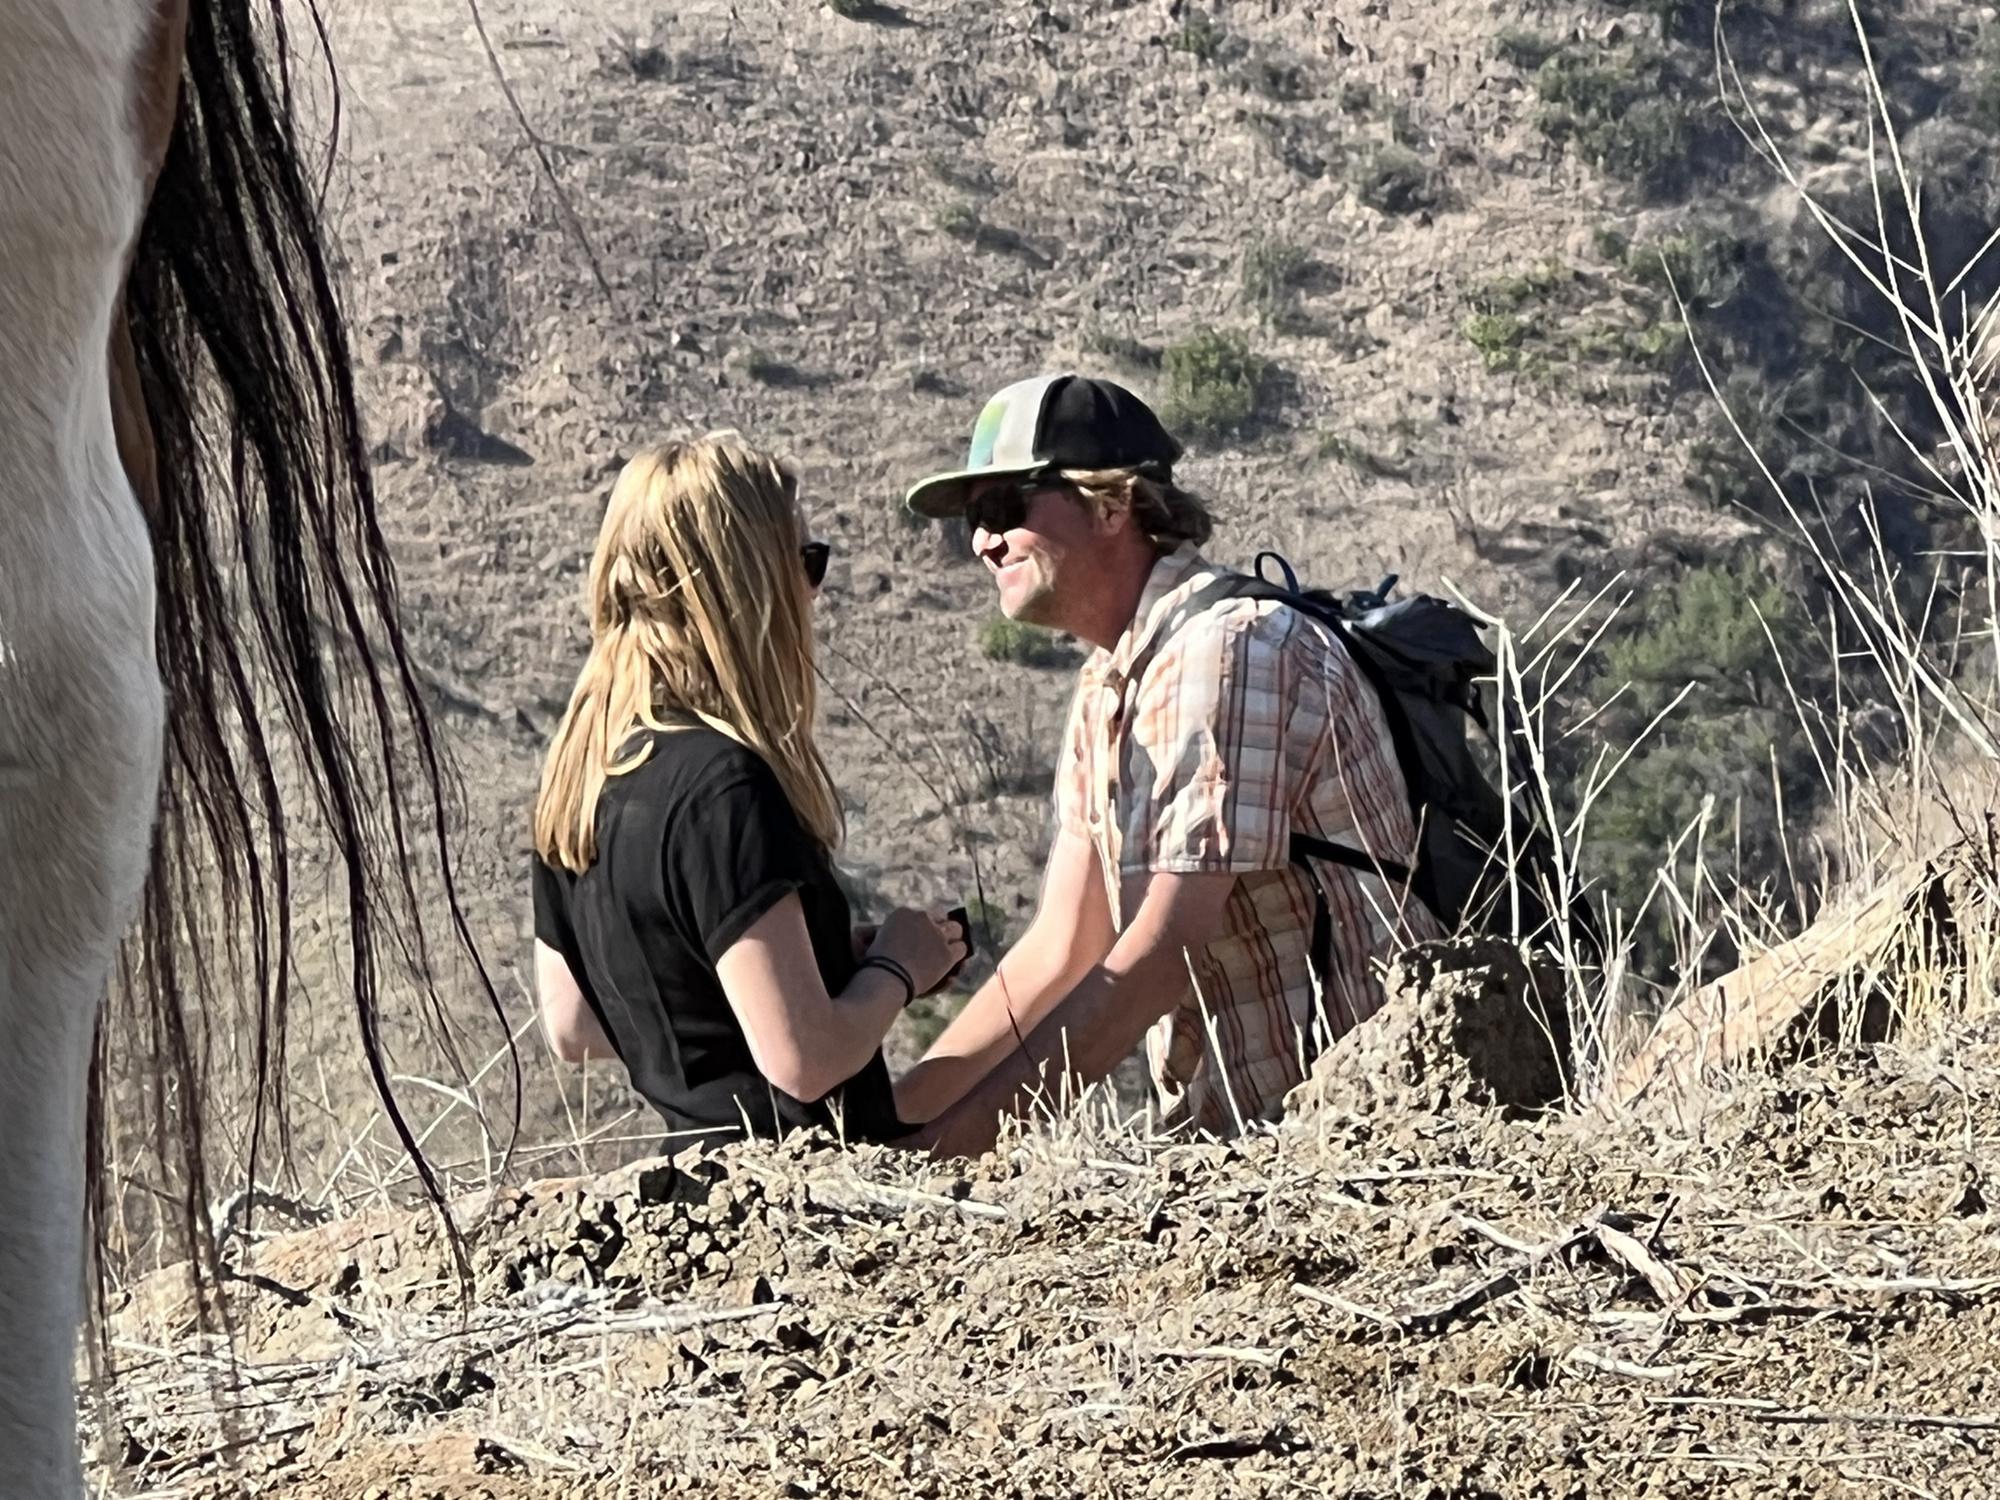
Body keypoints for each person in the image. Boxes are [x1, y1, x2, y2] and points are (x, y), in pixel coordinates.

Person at [892, 375, 1438, 1153]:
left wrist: (951, 1148)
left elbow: (1163, 946)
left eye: (1005, 509)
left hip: (1360, 1140)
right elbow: (1064, 945)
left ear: (1112, 504)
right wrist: (884, 1126)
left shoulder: (1228, 652)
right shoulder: (1109, 683)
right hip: (1245, 1148)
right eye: (974, 520)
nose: (984, 542)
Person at [530, 433, 967, 1166]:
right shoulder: (726, 786)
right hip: (810, 1200)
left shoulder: (581, 778)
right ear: (747, 584)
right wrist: (898, 967)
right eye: (807, 562)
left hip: (694, 1194)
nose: (812, 589)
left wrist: (798, 970)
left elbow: (574, 1025)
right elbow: (806, 1061)